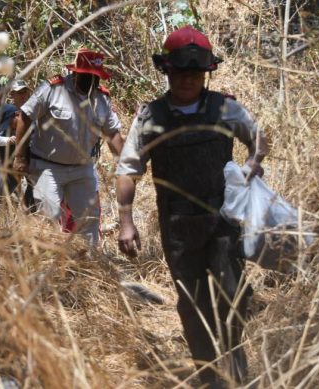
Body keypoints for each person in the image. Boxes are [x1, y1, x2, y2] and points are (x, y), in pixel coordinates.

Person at [116, 26, 268, 387]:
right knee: (193, 303)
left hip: (225, 223)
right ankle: (209, 374)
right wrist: (125, 222)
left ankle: (237, 371)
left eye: (195, 73)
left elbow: (257, 138)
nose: (187, 79)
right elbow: (128, 169)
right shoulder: (150, 117)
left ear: (206, 73)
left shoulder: (226, 108)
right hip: (179, 227)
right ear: (167, 72)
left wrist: (254, 162)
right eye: (180, 72)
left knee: (232, 297)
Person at [13, 48, 124, 245]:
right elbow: (25, 116)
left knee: (89, 220)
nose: (92, 81)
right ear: (75, 73)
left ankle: (89, 265)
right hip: (48, 168)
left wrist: (124, 163)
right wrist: (20, 156)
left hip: (83, 168)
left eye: (96, 77)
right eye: (87, 76)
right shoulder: (53, 89)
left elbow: (112, 133)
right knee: (50, 219)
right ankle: (54, 267)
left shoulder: (101, 98)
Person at [5, 79, 36, 210]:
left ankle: (30, 215)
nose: (23, 95)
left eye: (25, 92)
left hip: (32, 154)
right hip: (10, 155)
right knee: (5, 187)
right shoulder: (6, 112)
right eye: (19, 92)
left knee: (33, 186)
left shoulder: (35, 110)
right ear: (12, 94)